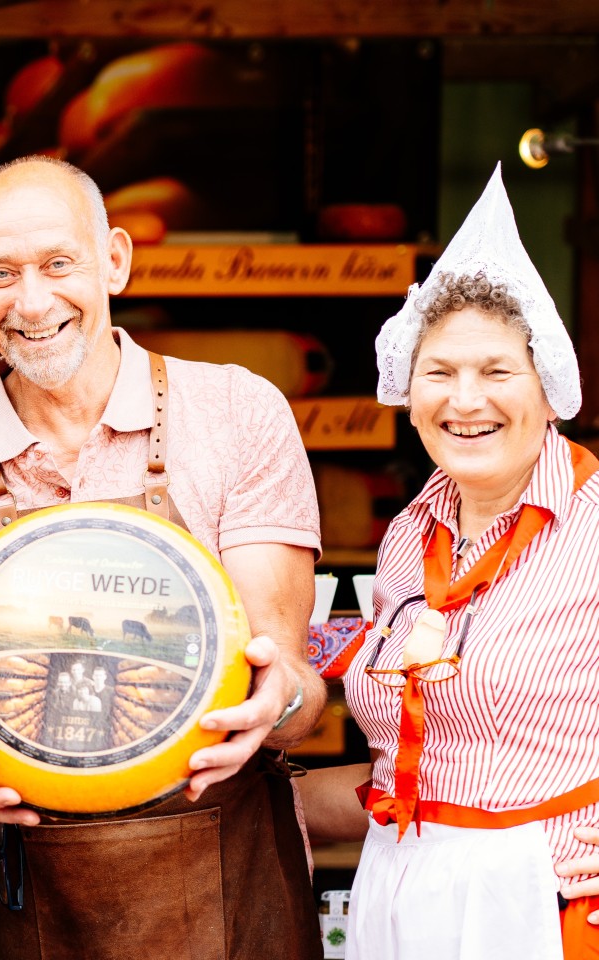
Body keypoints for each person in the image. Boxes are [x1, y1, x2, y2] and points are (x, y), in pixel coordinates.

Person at [0, 155, 326, 958]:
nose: (33, 300)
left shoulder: (237, 411)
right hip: (19, 894)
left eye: (60, 263)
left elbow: (291, 683)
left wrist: (277, 707)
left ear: (114, 258)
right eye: (2, 274)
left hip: (225, 888)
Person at [298, 164, 599, 959]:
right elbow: (414, 755)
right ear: (408, 388)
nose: (465, 401)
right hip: (398, 883)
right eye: (440, 373)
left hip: (548, 898)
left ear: (549, 386)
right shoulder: (408, 534)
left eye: (497, 371)